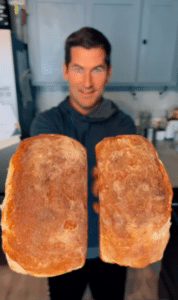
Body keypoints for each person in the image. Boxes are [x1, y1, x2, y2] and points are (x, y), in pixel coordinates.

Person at [30, 27, 137, 300]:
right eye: (79, 69)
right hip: (62, 248)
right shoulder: (46, 124)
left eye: (97, 70)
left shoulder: (123, 125)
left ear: (109, 71)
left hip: (110, 249)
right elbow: (44, 194)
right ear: (65, 70)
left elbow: (126, 196)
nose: (87, 82)